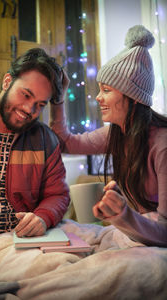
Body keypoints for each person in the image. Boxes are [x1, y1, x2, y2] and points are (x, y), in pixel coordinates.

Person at [49, 25, 167, 247]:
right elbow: (64, 143)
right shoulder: (116, 134)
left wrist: (123, 215)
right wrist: (58, 99)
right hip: (136, 235)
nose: (98, 98)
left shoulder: (162, 145)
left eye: (107, 90)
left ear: (133, 97)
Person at [0, 48, 70, 251]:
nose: (29, 110)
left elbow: (58, 195)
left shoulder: (45, 140)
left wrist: (42, 217)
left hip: (19, 247)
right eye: (25, 95)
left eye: (40, 105)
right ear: (7, 82)